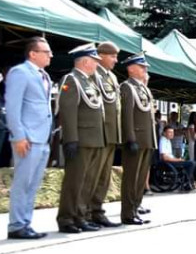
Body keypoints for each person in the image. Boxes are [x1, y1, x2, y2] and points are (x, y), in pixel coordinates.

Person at [3, 37, 54, 239]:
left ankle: (25, 223)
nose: (50, 55)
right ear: (33, 54)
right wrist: (18, 136)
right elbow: (13, 107)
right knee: (22, 183)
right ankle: (16, 224)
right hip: (28, 138)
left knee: (32, 184)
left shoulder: (44, 75)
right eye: (46, 51)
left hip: (42, 138)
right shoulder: (20, 73)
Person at [56, 43, 107, 234]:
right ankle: (66, 218)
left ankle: (80, 215)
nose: (96, 65)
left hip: (93, 139)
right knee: (74, 181)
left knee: (87, 181)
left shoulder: (89, 82)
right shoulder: (72, 79)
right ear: (86, 61)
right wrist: (70, 139)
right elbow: (68, 111)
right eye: (95, 61)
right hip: (81, 139)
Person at [86, 41, 122, 228]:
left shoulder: (112, 78)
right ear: (101, 56)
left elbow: (116, 107)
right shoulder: (93, 75)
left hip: (111, 133)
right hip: (99, 133)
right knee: (92, 174)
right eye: (112, 56)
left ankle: (97, 211)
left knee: (104, 176)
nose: (116, 60)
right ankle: (84, 212)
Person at [119, 53, 156, 224]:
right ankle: (128, 213)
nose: (145, 70)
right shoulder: (127, 87)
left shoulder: (142, 88)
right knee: (131, 178)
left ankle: (135, 209)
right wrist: (130, 138)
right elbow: (127, 115)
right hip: (136, 138)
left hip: (146, 138)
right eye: (142, 67)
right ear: (131, 68)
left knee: (140, 178)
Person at [159, 125, 195, 190]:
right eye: (169, 132)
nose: (172, 134)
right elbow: (164, 157)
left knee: (191, 162)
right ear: (164, 133)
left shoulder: (168, 141)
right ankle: (186, 182)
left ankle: (187, 181)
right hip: (168, 162)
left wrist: (179, 159)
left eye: (172, 132)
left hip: (172, 161)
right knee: (191, 163)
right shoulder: (163, 141)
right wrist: (177, 160)